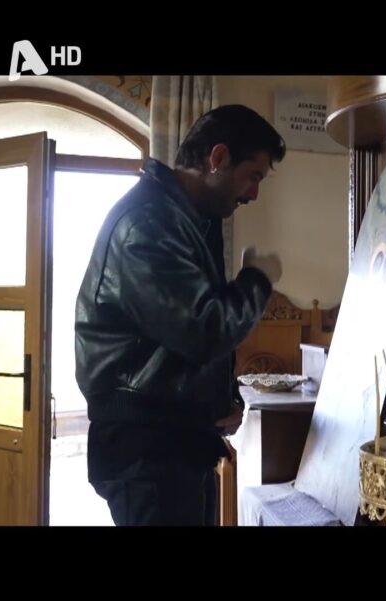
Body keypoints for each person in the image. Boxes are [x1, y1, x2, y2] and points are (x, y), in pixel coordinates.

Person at [74, 104, 285, 526]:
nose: (253, 194)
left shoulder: (185, 219)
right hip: (148, 450)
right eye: (253, 176)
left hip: (173, 442)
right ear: (218, 157)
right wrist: (257, 280)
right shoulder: (148, 223)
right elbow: (203, 330)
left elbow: (181, 330)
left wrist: (224, 398)